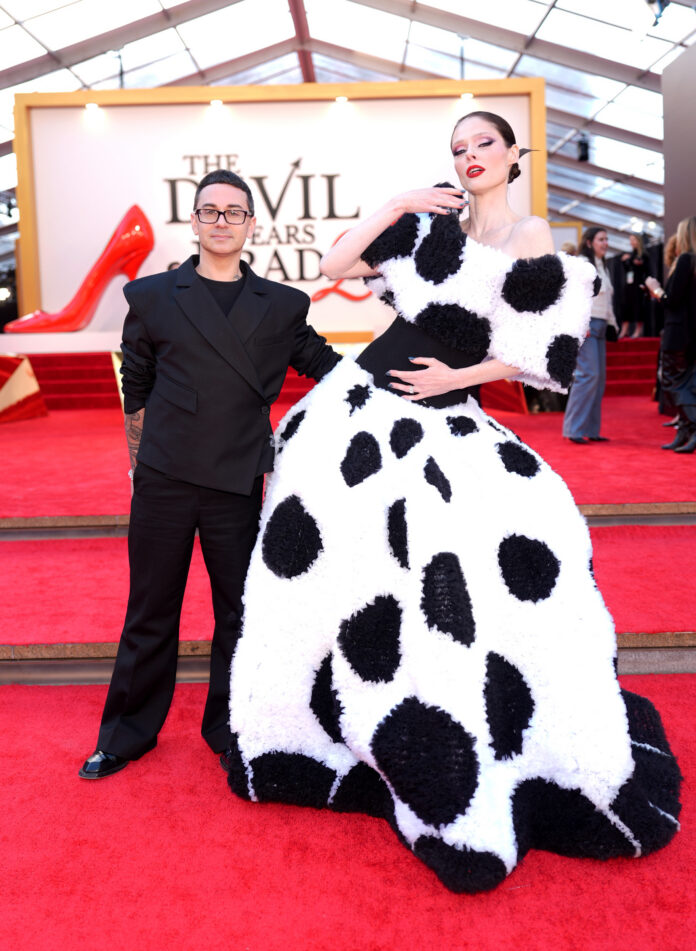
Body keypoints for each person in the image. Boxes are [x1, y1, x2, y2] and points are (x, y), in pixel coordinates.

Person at [224, 113, 681, 894]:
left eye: (484, 145)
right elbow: (335, 263)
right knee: (344, 565)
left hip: (443, 416)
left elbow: (536, 350)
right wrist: (401, 202)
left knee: (465, 560)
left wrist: (454, 379)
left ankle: (452, 714)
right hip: (357, 409)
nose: (470, 157)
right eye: (459, 148)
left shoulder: (531, 237)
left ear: (513, 153)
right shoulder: (432, 227)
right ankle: (334, 711)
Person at [79, 170, 340, 779]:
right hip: (164, 478)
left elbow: (329, 368)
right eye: (210, 211)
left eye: (234, 212)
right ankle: (125, 735)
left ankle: (232, 727)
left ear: (251, 225)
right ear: (194, 222)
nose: (222, 221)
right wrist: (140, 464)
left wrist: (414, 376)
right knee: (149, 610)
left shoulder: (283, 305)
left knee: (239, 615)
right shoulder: (150, 296)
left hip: (237, 481)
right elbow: (137, 386)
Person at [562, 226, 618, 444]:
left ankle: (591, 429)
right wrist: (580, 323)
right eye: (601, 239)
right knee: (588, 376)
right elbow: (575, 296)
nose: (605, 243)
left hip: (601, 325)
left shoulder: (603, 265)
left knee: (598, 379)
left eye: (607, 239)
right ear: (589, 242)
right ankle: (574, 429)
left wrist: (612, 324)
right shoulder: (583, 265)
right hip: (587, 325)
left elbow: (607, 300)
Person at [646, 216, 696, 454]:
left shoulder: (686, 260)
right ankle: (684, 431)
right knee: (687, 383)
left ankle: (692, 427)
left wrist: (656, 290)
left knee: (674, 383)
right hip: (691, 333)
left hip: (678, 333)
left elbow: (672, 300)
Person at [618, 234, 650, 339]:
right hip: (629, 285)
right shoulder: (631, 254)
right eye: (630, 240)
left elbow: (646, 269)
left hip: (638, 285)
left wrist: (632, 260)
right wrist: (625, 261)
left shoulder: (644, 255)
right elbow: (628, 269)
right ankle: (624, 329)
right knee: (626, 306)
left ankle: (638, 330)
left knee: (638, 307)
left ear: (638, 241)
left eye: (633, 240)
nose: (631, 242)